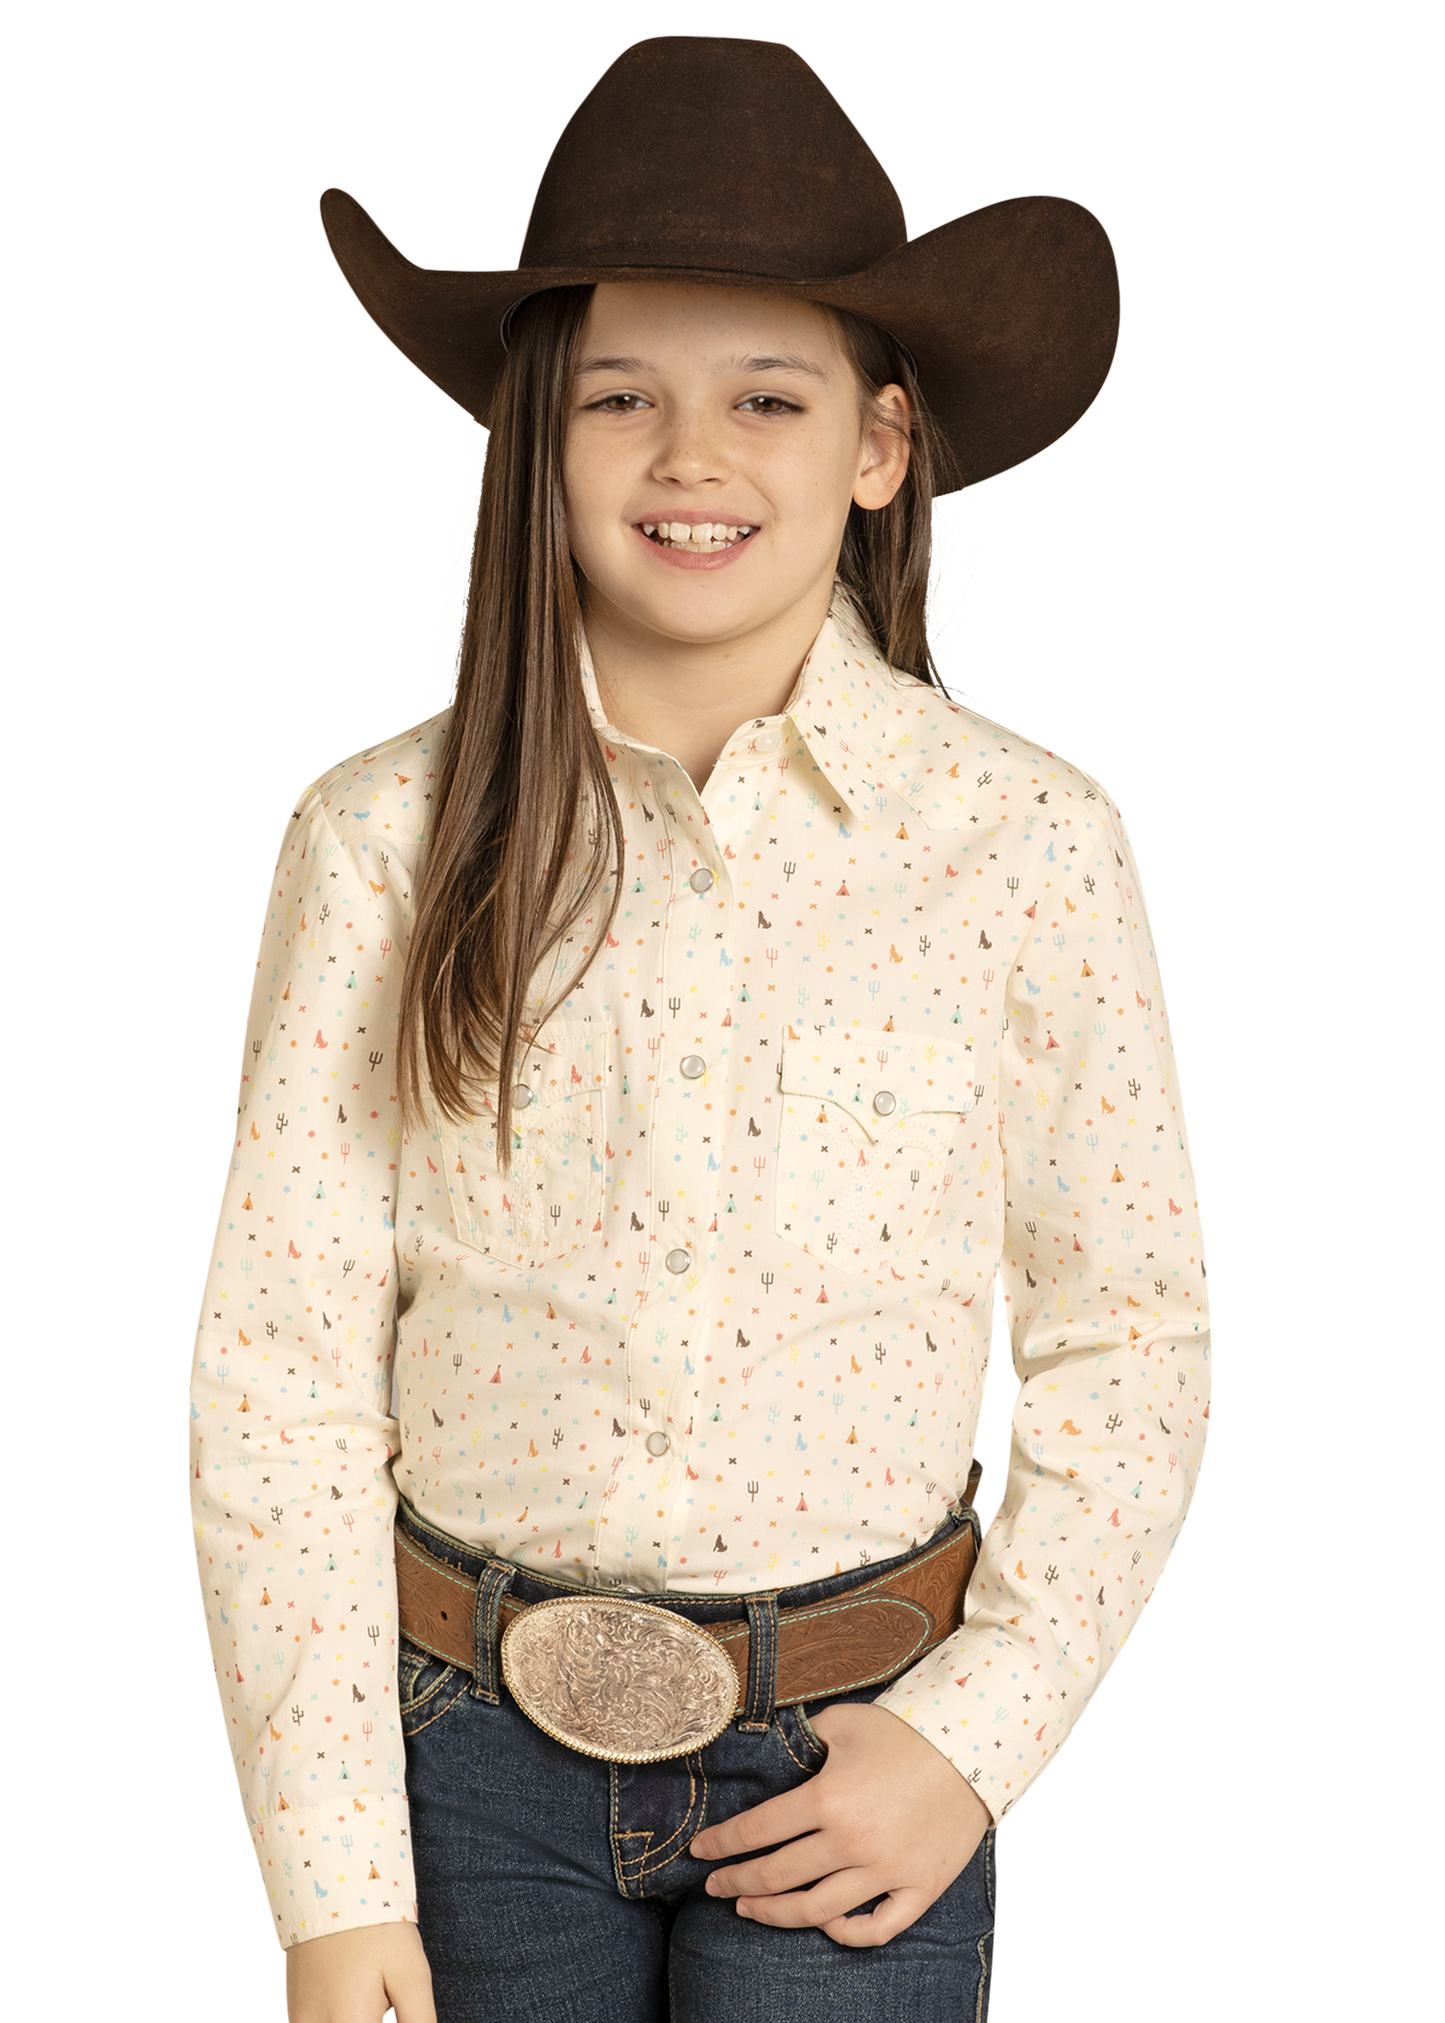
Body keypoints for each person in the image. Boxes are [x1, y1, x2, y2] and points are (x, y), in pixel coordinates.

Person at [186, 32, 1213, 2023]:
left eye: (766, 396)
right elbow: (280, 1377)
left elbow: (1130, 1340)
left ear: (877, 445)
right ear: (533, 437)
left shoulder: (1026, 844)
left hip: (859, 1755)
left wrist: (972, 1737)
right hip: (458, 1764)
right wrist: (333, 1881)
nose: (689, 456)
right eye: (618, 397)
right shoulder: (379, 841)